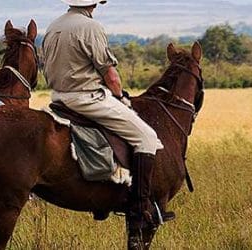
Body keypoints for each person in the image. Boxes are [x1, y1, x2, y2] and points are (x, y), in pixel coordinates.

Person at [41, 0, 172, 230]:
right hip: (87, 99)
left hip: (58, 98)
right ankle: (140, 209)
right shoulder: (91, 28)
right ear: (94, 4)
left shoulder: (53, 26)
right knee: (147, 138)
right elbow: (110, 76)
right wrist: (120, 97)